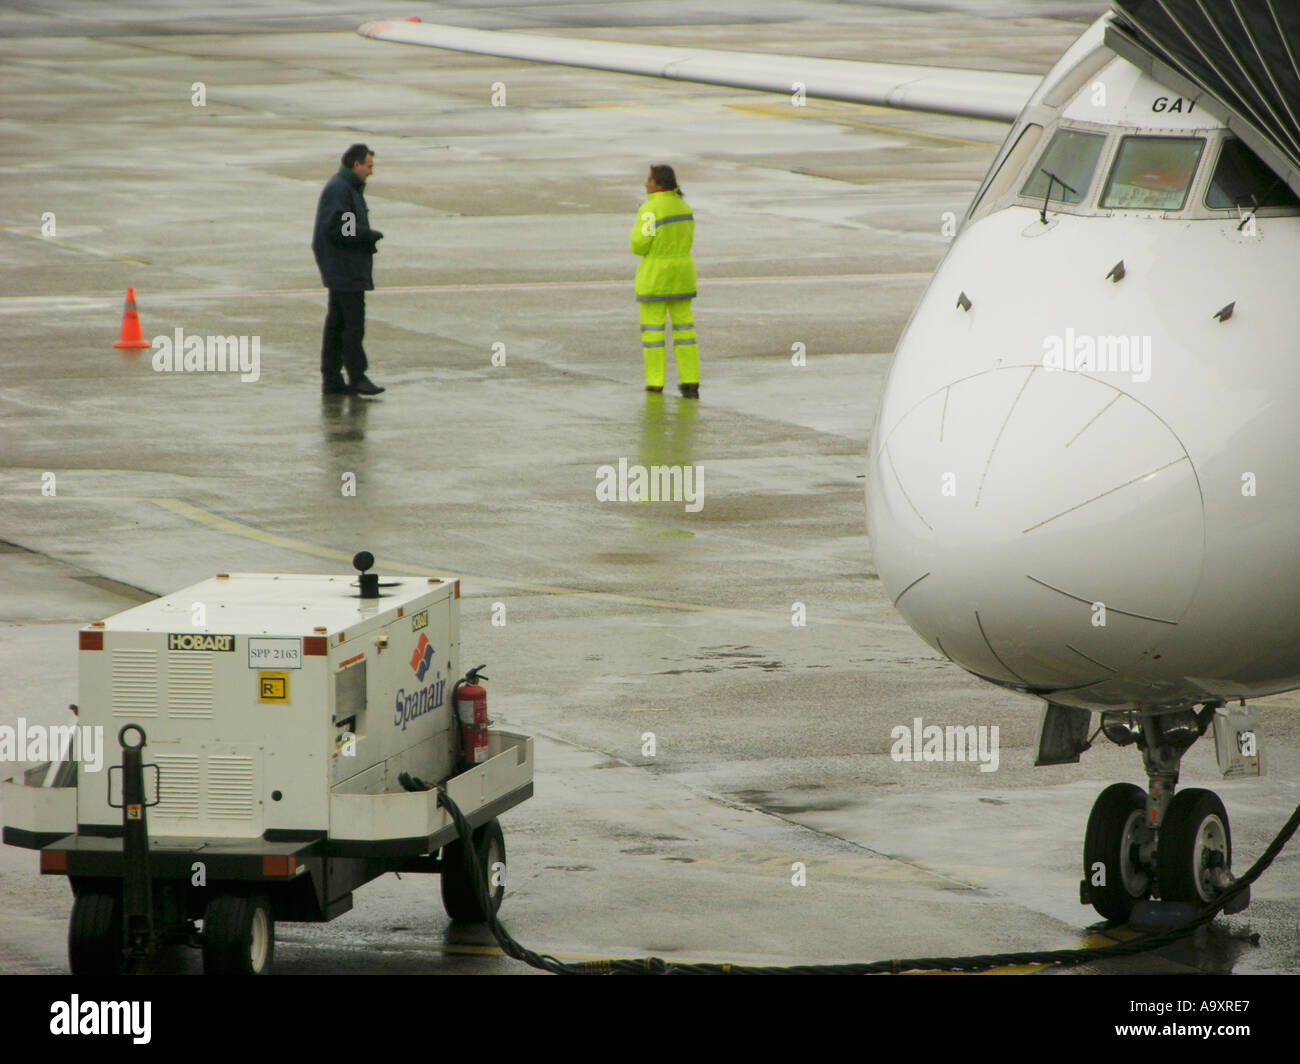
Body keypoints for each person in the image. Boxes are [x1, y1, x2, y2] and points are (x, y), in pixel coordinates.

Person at [312, 143, 385, 395]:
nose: (371, 171)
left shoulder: (345, 187)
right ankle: (356, 376)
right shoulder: (342, 190)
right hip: (345, 270)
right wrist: (369, 236)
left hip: (341, 268)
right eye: (369, 166)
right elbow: (343, 232)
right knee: (352, 325)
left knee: (336, 325)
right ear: (356, 165)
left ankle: (331, 379)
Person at [630, 164, 699, 398]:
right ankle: (690, 380)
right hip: (682, 276)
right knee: (685, 332)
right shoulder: (684, 207)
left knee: (653, 333)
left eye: (648, 179)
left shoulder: (650, 210)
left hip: (656, 277)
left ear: (658, 184)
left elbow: (639, 245)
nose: (645, 183)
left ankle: (655, 382)